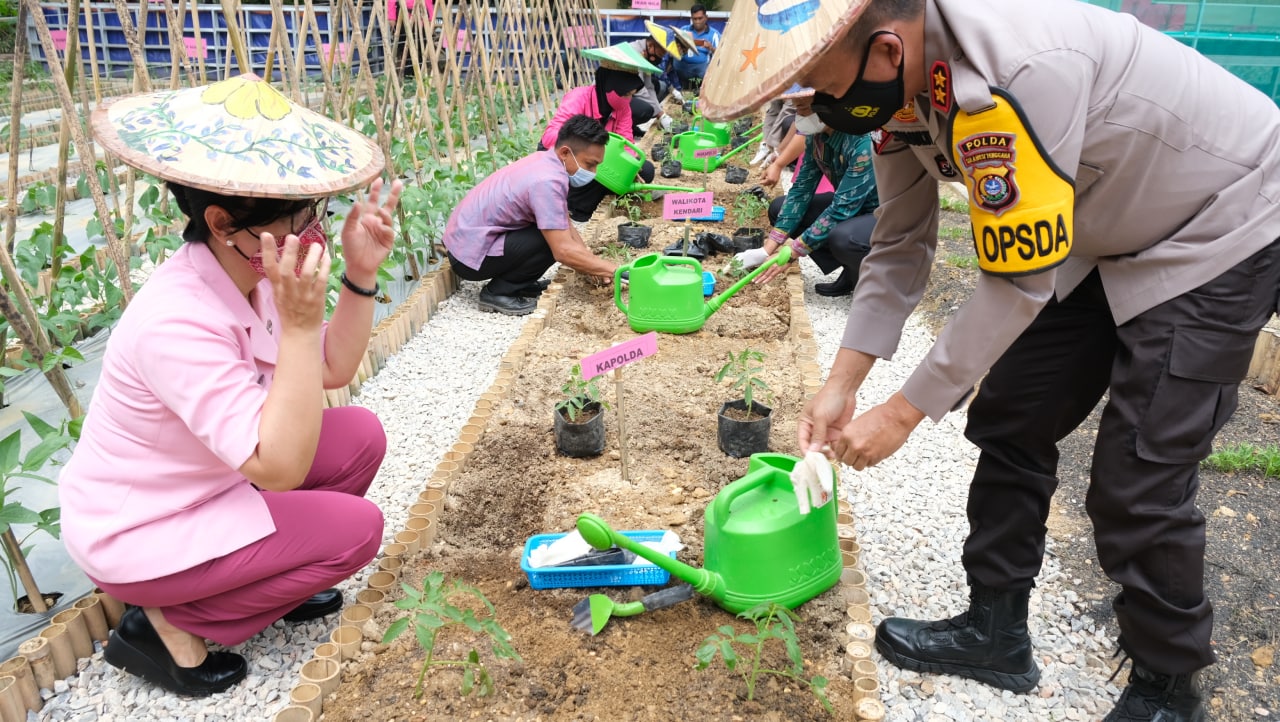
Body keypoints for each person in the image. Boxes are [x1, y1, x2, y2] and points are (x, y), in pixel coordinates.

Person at [702, 1, 1280, 720]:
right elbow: (901, 244)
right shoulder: (900, 87)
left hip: (1218, 221)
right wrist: (841, 386)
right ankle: (996, 629)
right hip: (1104, 226)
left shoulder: (1016, 69)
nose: (815, 112)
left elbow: (1017, 282)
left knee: (1140, 472)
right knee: (1013, 413)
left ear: (884, 51)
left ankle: (1168, 687)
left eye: (819, 90)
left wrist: (903, 412)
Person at [62, 74, 400, 697]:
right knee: (358, 530)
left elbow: (331, 368)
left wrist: (359, 271)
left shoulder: (253, 268)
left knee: (359, 434)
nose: (313, 232)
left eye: (315, 213)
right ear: (221, 221)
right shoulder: (176, 321)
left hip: (211, 478)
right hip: (145, 526)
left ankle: (264, 581)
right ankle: (164, 621)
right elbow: (279, 469)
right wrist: (299, 326)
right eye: (299, 217)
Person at [446, 115, 619, 316]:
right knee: (548, 242)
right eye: (589, 164)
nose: (593, 172)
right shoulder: (547, 182)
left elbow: (564, 222)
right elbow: (563, 250)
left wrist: (592, 263)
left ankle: (520, 283)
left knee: (553, 230)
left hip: (467, 243)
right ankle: (499, 292)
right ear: (565, 152)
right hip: (469, 257)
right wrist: (613, 270)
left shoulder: (545, 160)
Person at [740, 95, 879, 297]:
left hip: (881, 214)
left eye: (804, 110)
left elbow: (842, 209)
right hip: (851, 206)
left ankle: (872, 285)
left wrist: (791, 252)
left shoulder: (862, 143)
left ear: (828, 109)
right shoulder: (817, 138)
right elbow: (801, 189)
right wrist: (767, 249)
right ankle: (850, 270)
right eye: (797, 110)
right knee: (780, 208)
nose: (799, 117)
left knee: (843, 238)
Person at [539, 62, 656, 224]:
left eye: (631, 95)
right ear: (608, 87)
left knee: (645, 171)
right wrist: (584, 146)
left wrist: (630, 167)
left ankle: (585, 200)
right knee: (593, 171)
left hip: (599, 161)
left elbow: (627, 142)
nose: (628, 100)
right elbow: (550, 137)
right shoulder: (579, 98)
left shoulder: (623, 109)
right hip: (565, 158)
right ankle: (575, 211)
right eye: (624, 94)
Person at [627, 22, 688, 137]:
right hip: (614, 95)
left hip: (627, 91)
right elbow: (639, 88)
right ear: (650, 46)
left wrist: (662, 114)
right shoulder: (635, 53)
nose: (661, 57)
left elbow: (649, 86)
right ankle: (617, 127)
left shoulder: (646, 55)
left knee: (652, 96)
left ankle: (630, 126)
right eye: (661, 52)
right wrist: (660, 114)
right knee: (646, 110)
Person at [673, 4, 720, 91]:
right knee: (674, 60)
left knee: (707, 68)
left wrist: (711, 48)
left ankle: (702, 90)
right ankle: (678, 88)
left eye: (700, 18)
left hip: (701, 69)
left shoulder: (714, 34)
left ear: (706, 17)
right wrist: (680, 48)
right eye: (695, 19)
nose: (697, 21)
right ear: (691, 18)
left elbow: (721, 55)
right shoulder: (684, 30)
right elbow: (673, 47)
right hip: (683, 66)